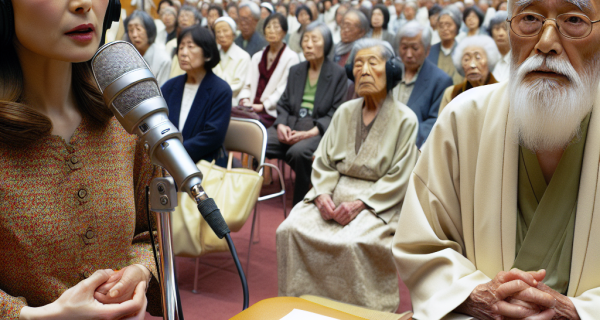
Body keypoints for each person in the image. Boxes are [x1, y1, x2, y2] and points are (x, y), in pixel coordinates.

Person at [393, 0, 600, 318]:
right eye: (529, 18)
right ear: (508, 26)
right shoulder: (465, 116)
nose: (545, 43)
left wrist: (582, 312)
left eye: (574, 19)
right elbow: (422, 241)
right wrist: (470, 294)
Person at [0, 0, 161, 318]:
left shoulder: (125, 117)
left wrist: (141, 271)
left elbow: (152, 235)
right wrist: (32, 316)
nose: (83, 3)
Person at [277, 39, 418, 312]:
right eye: (358, 65)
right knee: (290, 229)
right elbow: (324, 161)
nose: (363, 70)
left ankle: (362, 311)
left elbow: (401, 174)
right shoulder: (344, 112)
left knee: (354, 242)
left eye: (372, 63)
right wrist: (321, 195)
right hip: (333, 191)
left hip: (379, 201)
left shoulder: (406, 118)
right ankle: (299, 305)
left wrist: (360, 204)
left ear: (391, 71)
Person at [266, 22, 348, 205]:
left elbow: (337, 111)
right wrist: (281, 125)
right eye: (305, 39)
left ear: (326, 44)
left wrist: (311, 132)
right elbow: (284, 103)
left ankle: (301, 203)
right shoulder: (296, 70)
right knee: (260, 141)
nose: (308, 44)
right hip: (291, 126)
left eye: (314, 39)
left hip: (317, 129)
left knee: (299, 153)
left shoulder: (337, 74)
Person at [161, 25, 232, 166]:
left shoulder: (221, 90)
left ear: (207, 54)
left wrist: (175, 152)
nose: (183, 53)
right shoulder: (169, 87)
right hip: (168, 162)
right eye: (180, 47)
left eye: (190, 47)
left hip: (205, 164)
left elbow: (213, 136)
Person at [393, 21, 452, 147]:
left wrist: (403, 136)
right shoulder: (390, 72)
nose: (408, 54)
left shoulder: (440, 80)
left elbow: (436, 121)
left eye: (415, 48)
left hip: (415, 147)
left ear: (427, 50)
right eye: (404, 47)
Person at [238, 13, 300, 128]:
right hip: (251, 108)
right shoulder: (257, 56)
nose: (272, 31)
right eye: (268, 27)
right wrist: (244, 99)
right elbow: (247, 84)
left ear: (285, 32)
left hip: (272, 111)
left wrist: (263, 106)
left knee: (252, 125)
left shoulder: (291, 57)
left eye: (276, 27)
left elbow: (284, 90)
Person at [439, 35, 499, 113]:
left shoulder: (501, 92)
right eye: (466, 59)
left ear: (489, 61)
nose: (472, 65)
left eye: (478, 58)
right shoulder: (451, 93)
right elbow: (443, 123)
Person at [125, 10, 172, 86]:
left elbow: (161, 92)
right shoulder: (126, 55)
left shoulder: (163, 59)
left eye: (138, 29)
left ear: (149, 30)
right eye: (131, 30)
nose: (134, 35)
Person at [213, 17, 252, 105]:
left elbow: (238, 85)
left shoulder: (243, 56)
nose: (221, 35)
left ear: (233, 33)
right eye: (218, 32)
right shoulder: (213, 55)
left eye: (225, 31)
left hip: (233, 101)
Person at [427, 7, 464, 84]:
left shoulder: (463, 52)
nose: (444, 29)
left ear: (457, 27)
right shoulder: (429, 52)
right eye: (441, 25)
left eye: (448, 25)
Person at [167, 5, 202, 78]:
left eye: (188, 16)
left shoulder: (200, 43)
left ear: (196, 21)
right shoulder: (170, 44)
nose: (184, 19)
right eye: (182, 16)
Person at [489, 10, 510, 81]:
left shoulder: (519, 60)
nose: (500, 33)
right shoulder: (489, 59)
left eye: (505, 28)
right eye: (497, 28)